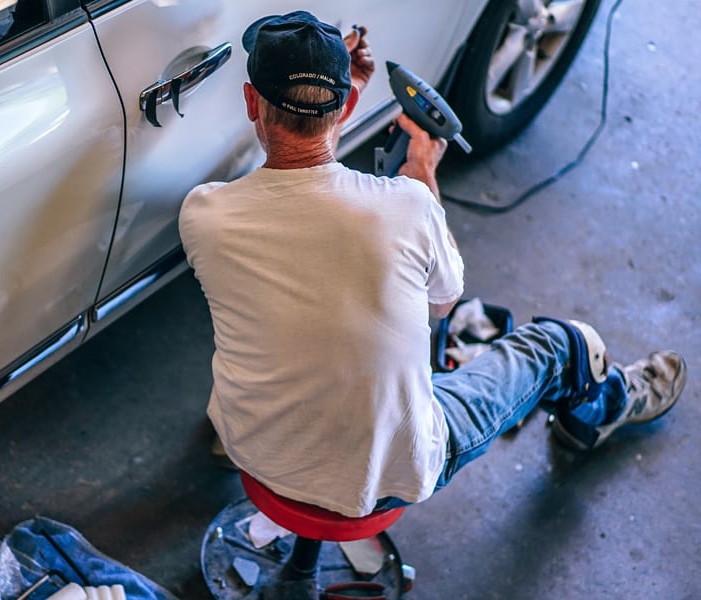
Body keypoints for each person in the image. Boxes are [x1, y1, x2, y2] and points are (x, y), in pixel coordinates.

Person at [178, 11, 687, 518]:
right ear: (348, 106)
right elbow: (442, 304)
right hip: (379, 479)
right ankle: (603, 410)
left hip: (254, 447)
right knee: (559, 344)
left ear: (251, 102)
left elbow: (293, 187)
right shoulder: (407, 206)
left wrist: (324, 116)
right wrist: (421, 169)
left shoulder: (205, 215)